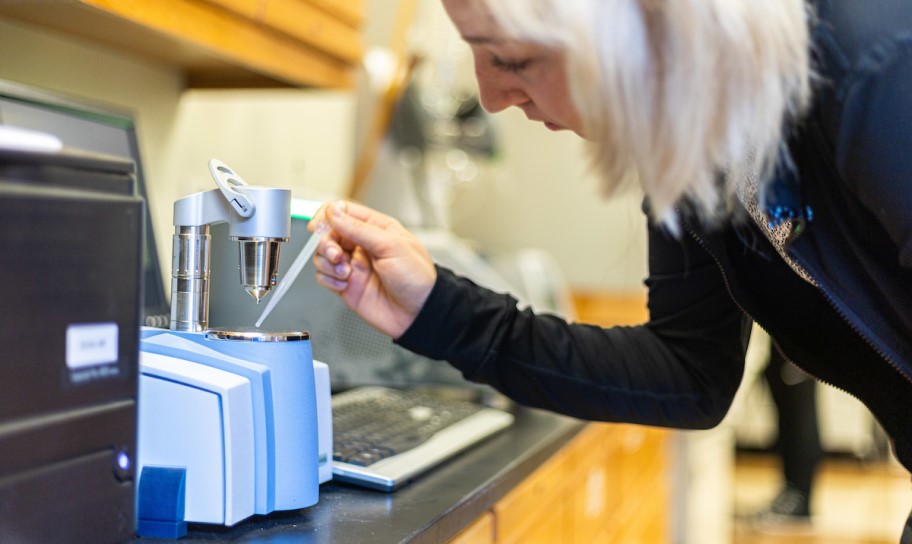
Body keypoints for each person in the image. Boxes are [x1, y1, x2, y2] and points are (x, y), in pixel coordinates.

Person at [310, 0, 912, 538]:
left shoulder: (876, 62)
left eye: (512, 59)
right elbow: (689, 374)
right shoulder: (689, 136)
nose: (491, 97)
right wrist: (436, 310)